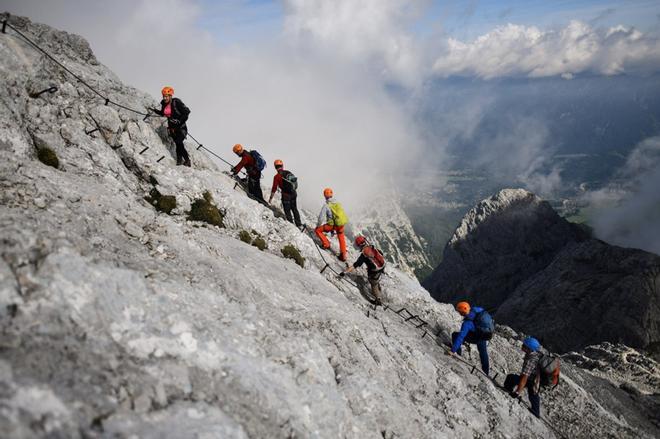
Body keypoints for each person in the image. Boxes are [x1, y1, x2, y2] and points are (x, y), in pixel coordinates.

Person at [446, 301, 490, 375]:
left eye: (460, 312)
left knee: (455, 335)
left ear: (462, 312)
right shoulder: (476, 311)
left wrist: (452, 350)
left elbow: (461, 336)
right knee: (483, 353)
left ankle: (457, 353)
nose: (459, 313)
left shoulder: (467, 323)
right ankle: (486, 372)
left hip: (476, 336)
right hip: (484, 335)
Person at [151, 86, 191, 166]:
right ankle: (179, 161)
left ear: (170, 96)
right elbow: (163, 113)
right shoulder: (163, 103)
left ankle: (187, 160)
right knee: (177, 144)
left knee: (179, 142)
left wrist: (179, 120)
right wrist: (154, 111)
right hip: (172, 128)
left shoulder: (176, 102)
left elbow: (187, 112)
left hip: (181, 128)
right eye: (164, 96)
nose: (165, 98)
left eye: (166, 96)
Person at [503, 337, 542, 418]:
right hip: (535, 380)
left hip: (532, 380)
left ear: (529, 348)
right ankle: (536, 411)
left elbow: (524, 377)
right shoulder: (534, 354)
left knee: (511, 378)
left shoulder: (531, 360)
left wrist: (517, 392)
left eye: (524, 345)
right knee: (533, 394)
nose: (522, 345)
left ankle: (508, 390)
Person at [340, 236, 386, 304]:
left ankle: (378, 300)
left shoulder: (364, 255)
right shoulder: (372, 246)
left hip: (375, 271)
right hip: (382, 266)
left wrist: (344, 272)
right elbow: (380, 254)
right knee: (376, 279)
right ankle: (378, 288)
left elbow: (355, 265)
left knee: (373, 284)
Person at [315, 188, 348, 261]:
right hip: (340, 224)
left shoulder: (326, 205)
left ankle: (326, 244)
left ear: (325, 196)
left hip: (331, 226)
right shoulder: (338, 203)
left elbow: (321, 218)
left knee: (317, 230)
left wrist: (318, 226)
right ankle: (343, 256)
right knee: (341, 239)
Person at [268, 159, 301, 227]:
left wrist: (270, 198)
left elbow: (274, 188)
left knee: (287, 211)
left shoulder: (276, 177)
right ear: (282, 166)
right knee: (294, 209)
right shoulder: (288, 172)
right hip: (293, 193)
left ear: (275, 167)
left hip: (286, 196)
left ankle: (292, 226)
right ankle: (299, 224)